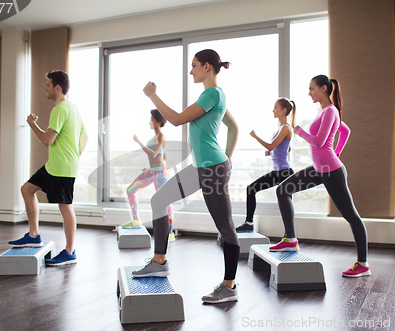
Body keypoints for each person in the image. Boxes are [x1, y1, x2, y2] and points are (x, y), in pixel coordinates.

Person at [133, 49, 240, 304]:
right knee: (159, 201)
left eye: (193, 66)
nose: (190, 71)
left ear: (206, 66)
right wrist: (228, 156)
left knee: (225, 227)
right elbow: (234, 127)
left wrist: (152, 95)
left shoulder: (212, 93)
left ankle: (230, 286)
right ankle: (159, 260)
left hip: (212, 170)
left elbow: (178, 119)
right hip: (202, 167)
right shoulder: (216, 95)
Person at [273, 74, 370, 278]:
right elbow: (345, 131)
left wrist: (299, 131)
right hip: (319, 169)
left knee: (350, 215)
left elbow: (318, 142)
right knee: (283, 190)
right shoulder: (324, 112)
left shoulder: (330, 111)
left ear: (324, 89)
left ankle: (363, 264)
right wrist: (336, 152)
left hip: (332, 172)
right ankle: (290, 239)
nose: (309, 93)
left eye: (312, 89)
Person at [8, 70, 88, 267]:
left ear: (57, 87)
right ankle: (34, 235)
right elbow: (85, 136)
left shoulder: (60, 109)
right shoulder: (73, 107)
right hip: (55, 165)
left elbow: (47, 140)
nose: (45, 88)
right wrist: (74, 155)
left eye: (47, 84)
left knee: (65, 206)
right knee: (27, 189)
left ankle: (70, 252)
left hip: (62, 168)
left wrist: (32, 124)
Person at [235, 98, 296, 232]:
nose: (273, 110)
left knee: (284, 203)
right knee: (251, 189)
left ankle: (289, 235)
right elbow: (286, 148)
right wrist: (272, 153)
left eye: (275, 108)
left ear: (283, 110)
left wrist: (255, 136)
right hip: (279, 171)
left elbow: (271, 145)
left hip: (284, 173)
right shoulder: (281, 128)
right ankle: (249, 224)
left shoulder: (286, 128)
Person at [121, 109, 175, 241]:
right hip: (153, 170)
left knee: (164, 200)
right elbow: (163, 155)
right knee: (130, 190)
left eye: (151, 119)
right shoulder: (155, 137)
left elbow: (153, 154)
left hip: (160, 173)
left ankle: (170, 232)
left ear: (157, 121)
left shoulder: (161, 136)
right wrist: (151, 166)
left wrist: (139, 142)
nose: (149, 122)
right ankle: (135, 220)